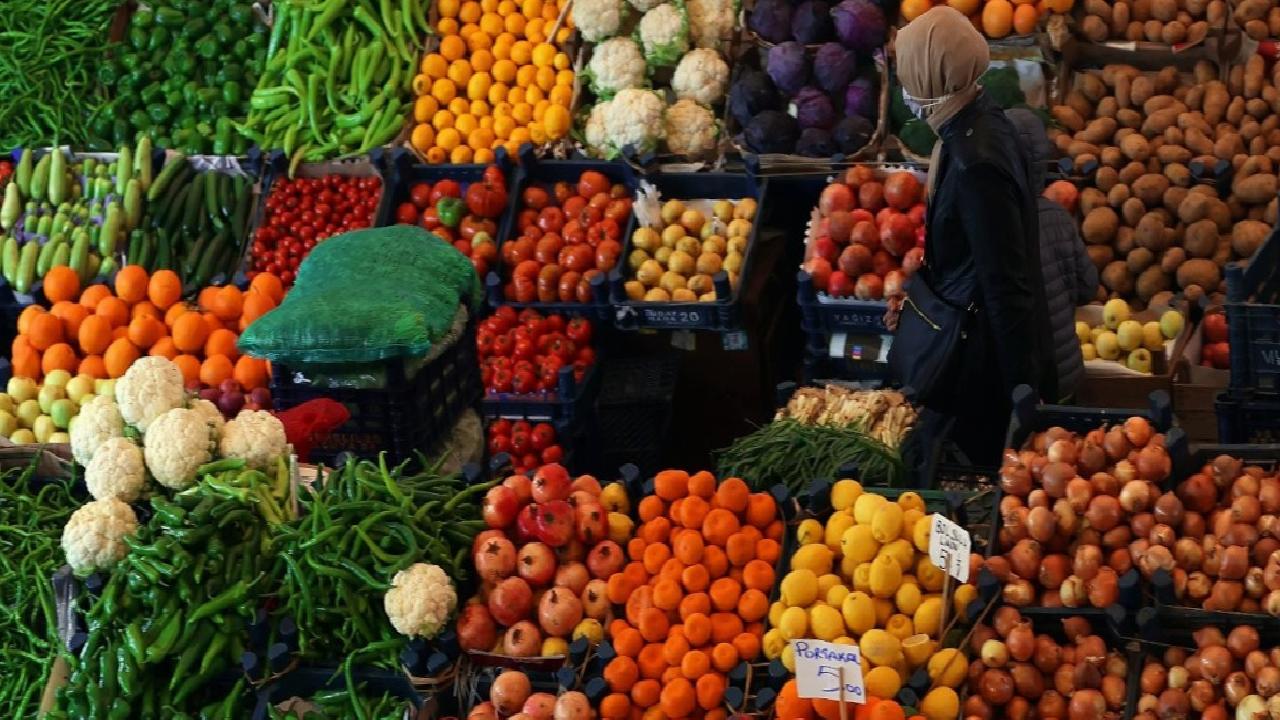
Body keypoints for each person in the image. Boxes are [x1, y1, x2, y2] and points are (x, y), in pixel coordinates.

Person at [888, 6, 1054, 467]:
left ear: (932, 74)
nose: (906, 87)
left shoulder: (973, 161)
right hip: (979, 339)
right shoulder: (981, 118)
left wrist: (1024, 394)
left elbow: (1005, 283)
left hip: (982, 364)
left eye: (909, 74)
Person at [1005, 108, 1099, 403]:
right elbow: (1088, 287)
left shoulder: (993, 223)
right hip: (1065, 372)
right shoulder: (1057, 215)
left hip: (1021, 380)